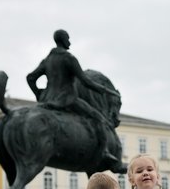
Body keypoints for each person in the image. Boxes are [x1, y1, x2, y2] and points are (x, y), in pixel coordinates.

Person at [26, 29, 122, 165]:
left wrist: (39, 94)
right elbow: (85, 81)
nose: (69, 41)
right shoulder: (68, 58)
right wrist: (103, 90)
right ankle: (104, 152)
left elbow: (30, 78)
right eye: (68, 38)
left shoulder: (48, 59)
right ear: (63, 40)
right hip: (67, 100)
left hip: (47, 100)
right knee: (99, 119)